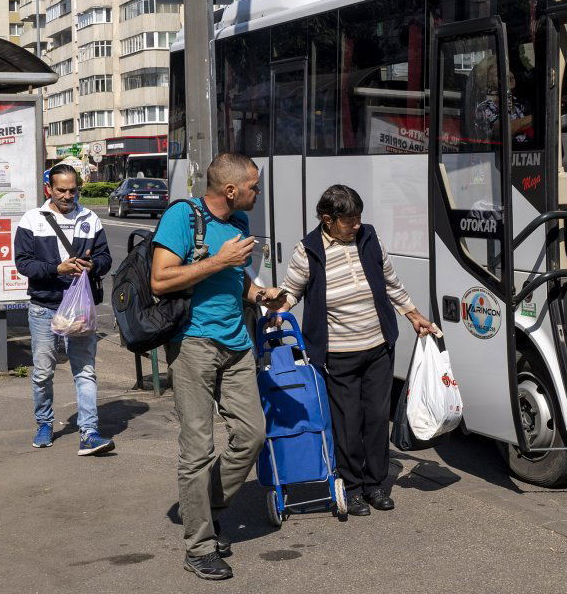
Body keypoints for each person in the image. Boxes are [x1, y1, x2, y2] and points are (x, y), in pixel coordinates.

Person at [264, 184, 440, 518]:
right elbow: (292, 290)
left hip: (377, 346)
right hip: (338, 352)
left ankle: (375, 484)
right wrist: (277, 312)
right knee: (348, 423)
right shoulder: (309, 249)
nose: (356, 224)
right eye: (349, 220)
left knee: (376, 419)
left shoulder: (369, 238)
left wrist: (414, 315)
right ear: (327, 219)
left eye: (359, 217)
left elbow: (391, 283)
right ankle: (352, 488)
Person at [149, 152, 272, 582]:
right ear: (231, 190)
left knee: (252, 434)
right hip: (193, 344)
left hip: (236, 342)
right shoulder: (183, 217)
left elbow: (239, 281)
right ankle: (199, 546)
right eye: (254, 186)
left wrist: (260, 295)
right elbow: (160, 280)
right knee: (197, 448)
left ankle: (207, 506)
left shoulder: (238, 223)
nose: (259, 192)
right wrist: (219, 260)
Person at [13, 164, 114, 455]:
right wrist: (57, 268)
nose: (68, 196)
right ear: (50, 189)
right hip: (45, 307)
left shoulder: (90, 218)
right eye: (61, 190)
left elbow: (106, 257)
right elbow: (23, 264)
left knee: (85, 371)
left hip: (80, 308)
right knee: (44, 372)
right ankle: (44, 423)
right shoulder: (33, 220)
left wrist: (94, 265)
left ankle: (90, 432)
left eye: (73, 190)